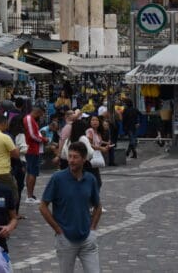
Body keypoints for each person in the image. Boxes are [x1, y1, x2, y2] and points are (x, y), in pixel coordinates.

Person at [39, 141, 102, 273]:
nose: (71, 160)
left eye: (75, 157)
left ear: (84, 159)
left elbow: (98, 206)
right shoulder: (58, 178)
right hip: (65, 238)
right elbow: (43, 206)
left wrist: (92, 229)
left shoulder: (90, 179)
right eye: (70, 156)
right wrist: (58, 230)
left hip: (87, 238)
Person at [22, 105, 45, 204]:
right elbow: (32, 135)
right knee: (32, 173)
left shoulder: (31, 119)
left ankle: (30, 195)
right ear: (39, 112)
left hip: (32, 149)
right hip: (32, 149)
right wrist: (44, 140)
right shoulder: (29, 119)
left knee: (31, 172)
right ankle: (30, 196)